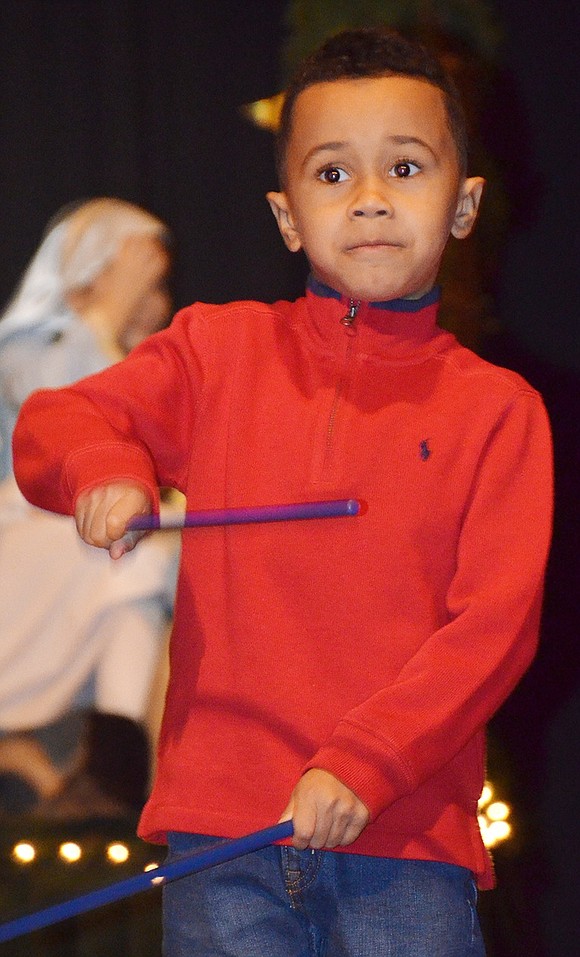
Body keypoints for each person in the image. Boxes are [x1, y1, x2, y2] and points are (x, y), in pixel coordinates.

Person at [13, 29, 552, 956]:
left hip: (406, 844)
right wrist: (103, 471)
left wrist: (367, 762)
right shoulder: (216, 353)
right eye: (333, 174)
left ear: (464, 206)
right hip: (224, 837)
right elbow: (53, 422)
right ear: (286, 215)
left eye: (407, 167)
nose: (373, 199)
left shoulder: (499, 410)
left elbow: (493, 626)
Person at [0, 198, 179, 818]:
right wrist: (108, 315)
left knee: (147, 566)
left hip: (77, 558)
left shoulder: (117, 351)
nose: (156, 301)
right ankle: (114, 760)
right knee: (139, 557)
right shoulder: (36, 348)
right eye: (144, 281)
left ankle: (112, 761)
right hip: (22, 553)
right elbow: (79, 420)